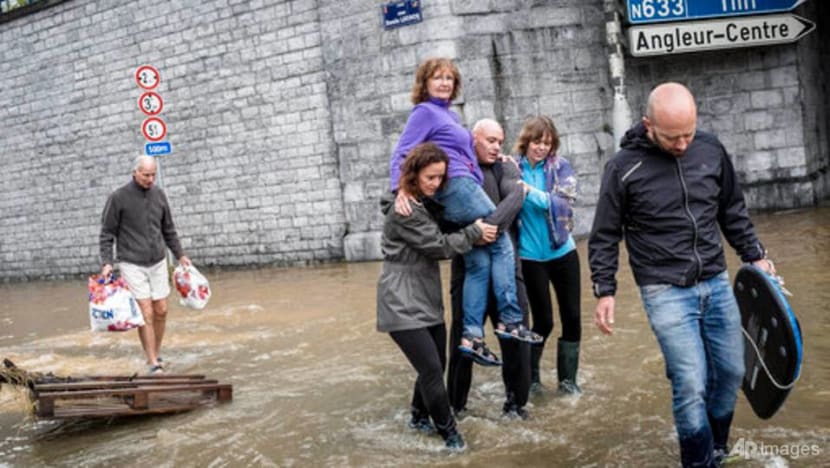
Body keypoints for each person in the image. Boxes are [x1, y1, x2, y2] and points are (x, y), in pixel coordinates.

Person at [588, 82, 774, 467]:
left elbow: (732, 210)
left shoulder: (709, 149)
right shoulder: (624, 168)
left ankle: (718, 450)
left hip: (716, 281)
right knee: (690, 382)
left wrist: (755, 255)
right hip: (664, 289)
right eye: (672, 137)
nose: (683, 145)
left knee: (731, 372)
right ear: (648, 125)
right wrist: (605, 290)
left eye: (688, 134)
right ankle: (697, 462)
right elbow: (605, 234)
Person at [389, 58, 540, 363]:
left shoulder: (449, 115)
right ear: (425, 82)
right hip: (457, 186)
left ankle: (472, 336)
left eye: (449, 78)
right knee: (500, 241)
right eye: (437, 78)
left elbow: (468, 151)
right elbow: (402, 152)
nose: (444, 83)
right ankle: (511, 321)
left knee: (479, 264)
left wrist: (500, 159)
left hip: (459, 186)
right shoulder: (424, 112)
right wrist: (400, 188)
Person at [377, 142, 498, 451]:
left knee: (435, 364)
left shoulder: (420, 201)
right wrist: (474, 232)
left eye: (440, 178)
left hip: (425, 296)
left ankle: (418, 416)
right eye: (430, 177)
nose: (436, 184)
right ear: (413, 175)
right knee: (431, 370)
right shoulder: (404, 211)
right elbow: (440, 246)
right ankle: (452, 437)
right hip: (400, 300)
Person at [447, 119, 533, 419]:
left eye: (500, 141)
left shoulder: (505, 168)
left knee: (516, 340)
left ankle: (516, 405)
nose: (497, 147)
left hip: (508, 268)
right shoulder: (457, 169)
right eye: (490, 141)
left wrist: (489, 227)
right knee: (463, 340)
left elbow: (514, 196)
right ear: (473, 139)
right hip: (469, 268)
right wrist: (473, 232)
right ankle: (455, 407)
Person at [99, 155, 191, 375]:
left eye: (153, 175)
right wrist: (107, 263)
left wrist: (180, 255)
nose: (151, 179)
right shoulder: (118, 197)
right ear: (135, 172)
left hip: (158, 261)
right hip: (132, 263)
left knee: (162, 309)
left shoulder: (159, 195)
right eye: (146, 175)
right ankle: (151, 361)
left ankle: (155, 353)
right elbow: (106, 233)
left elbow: (169, 229)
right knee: (145, 312)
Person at [513, 116, 582, 394]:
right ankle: (531, 380)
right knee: (543, 321)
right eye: (537, 142)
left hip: (563, 252)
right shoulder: (511, 168)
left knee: (572, 318)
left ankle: (568, 382)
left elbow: (564, 203)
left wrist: (530, 192)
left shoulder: (560, 166)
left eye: (547, 143)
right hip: (530, 258)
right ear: (526, 141)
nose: (542, 148)